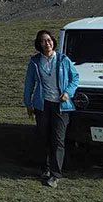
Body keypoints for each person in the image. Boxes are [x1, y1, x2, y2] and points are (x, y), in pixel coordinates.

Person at [23, 29, 80, 188]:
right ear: (39, 44)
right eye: (43, 41)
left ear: (53, 42)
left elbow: (75, 77)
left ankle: (55, 174)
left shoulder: (63, 60)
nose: (47, 43)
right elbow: (29, 83)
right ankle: (45, 168)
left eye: (49, 40)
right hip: (42, 105)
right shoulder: (35, 62)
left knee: (58, 139)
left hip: (61, 106)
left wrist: (68, 92)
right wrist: (28, 103)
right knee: (43, 138)